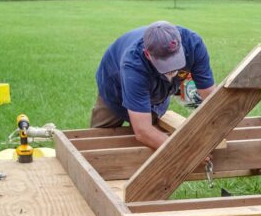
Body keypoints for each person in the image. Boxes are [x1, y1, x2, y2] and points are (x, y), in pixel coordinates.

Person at [92, 21, 216, 152]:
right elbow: (143, 131)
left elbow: (210, 96)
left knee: (153, 132)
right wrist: (188, 152)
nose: (172, 68)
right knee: (99, 141)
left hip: (158, 86)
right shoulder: (133, 65)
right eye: (166, 64)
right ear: (147, 54)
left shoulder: (193, 44)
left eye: (175, 61)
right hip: (115, 87)